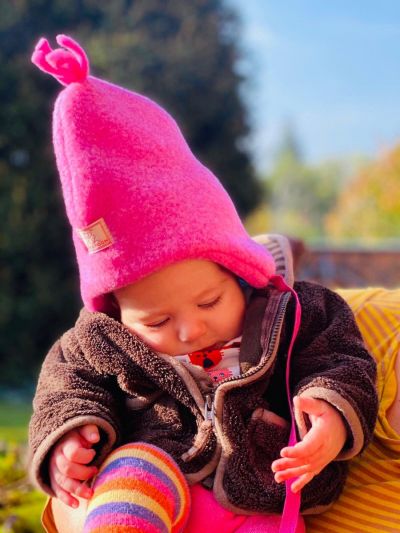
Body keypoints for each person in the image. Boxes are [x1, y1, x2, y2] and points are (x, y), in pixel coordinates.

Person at [28, 35, 378, 533]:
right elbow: (66, 389)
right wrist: (70, 439)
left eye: (209, 301)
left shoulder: (295, 311)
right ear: (116, 310)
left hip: (263, 484)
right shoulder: (97, 341)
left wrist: (330, 416)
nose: (190, 330)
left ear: (239, 271)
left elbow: (340, 359)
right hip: (153, 472)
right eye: (157, 320)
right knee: (129, 482)